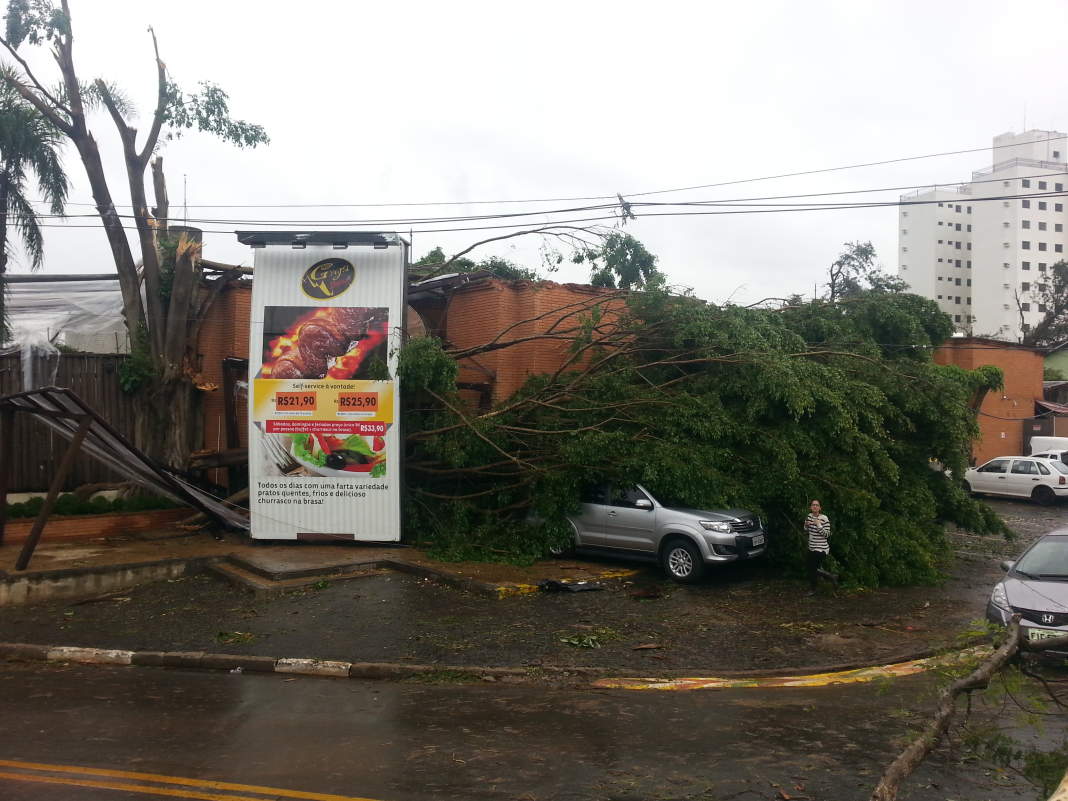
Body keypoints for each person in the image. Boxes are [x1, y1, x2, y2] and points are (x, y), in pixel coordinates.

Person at [804, 499, 839, 594]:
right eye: (813, 505)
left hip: (821, 548)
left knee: (812, 568)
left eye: (817, 505)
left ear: (820, 508)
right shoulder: (809, 516)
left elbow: (827, 534)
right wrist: (806, 525)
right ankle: (830, 577)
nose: (815, 506)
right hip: (811, 547)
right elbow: (806, 529)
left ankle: (814, 588)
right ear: (810, 507)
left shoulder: (824, 518)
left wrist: (819, 525)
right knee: (810, 567)